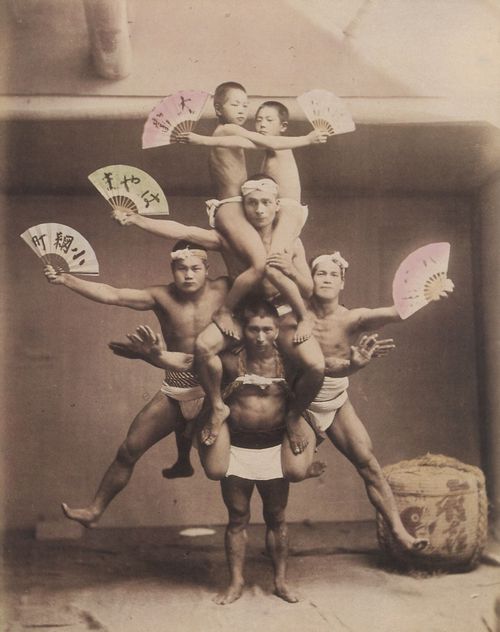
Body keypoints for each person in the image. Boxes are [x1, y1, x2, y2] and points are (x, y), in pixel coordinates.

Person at [113, 175, 325, 464]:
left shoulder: (291, 241)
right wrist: (138, 219)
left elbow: (309, 289)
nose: (259, 210)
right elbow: (184, 230)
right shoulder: (229, 238)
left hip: (283, 313)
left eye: (266, 203)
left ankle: (295, 416)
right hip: (242, 313)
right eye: (252, 203)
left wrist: (291, 269)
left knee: (316, 366)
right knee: (204, 347)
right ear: (242, 207)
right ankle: (217, 408)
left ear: (277, 206)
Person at [44, 241, 230, 526]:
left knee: (225, 466)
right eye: (181, 268)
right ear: (172, 269)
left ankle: (185, 461)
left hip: (217, 390)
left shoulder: (226, 289)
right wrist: (67, 279)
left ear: (207, 268)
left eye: (195, 268)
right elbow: (113, 294)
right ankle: (95, 511)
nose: (188, 275)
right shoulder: (161, 296)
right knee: (128, 450)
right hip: (177, 386)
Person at [287, 251, 435, 551]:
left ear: (342, 283)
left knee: (368, 464)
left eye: (333, 275)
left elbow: (394, 312)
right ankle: (306, 467)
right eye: (320, 273)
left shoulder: (352, 318)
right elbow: (314, 366)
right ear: (310, 279)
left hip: (335, 400)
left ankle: (399, 532)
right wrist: (351, 365)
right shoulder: (295, 318)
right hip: (300, 405)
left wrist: (429, 293)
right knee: (294, 471)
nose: (326, 279)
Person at [180, 82, 327, 341]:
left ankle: (303, 316)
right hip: (247, 207)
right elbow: (246, 141)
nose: (258, 122)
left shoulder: (277, 145)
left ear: (283, 126)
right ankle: (236, 310)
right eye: (258, 119)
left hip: (287, 211)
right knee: (265, 265)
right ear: (218, 108)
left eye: (245, 105)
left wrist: (307, 139)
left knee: (270, 265)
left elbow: (259, 141)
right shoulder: (228, 130)